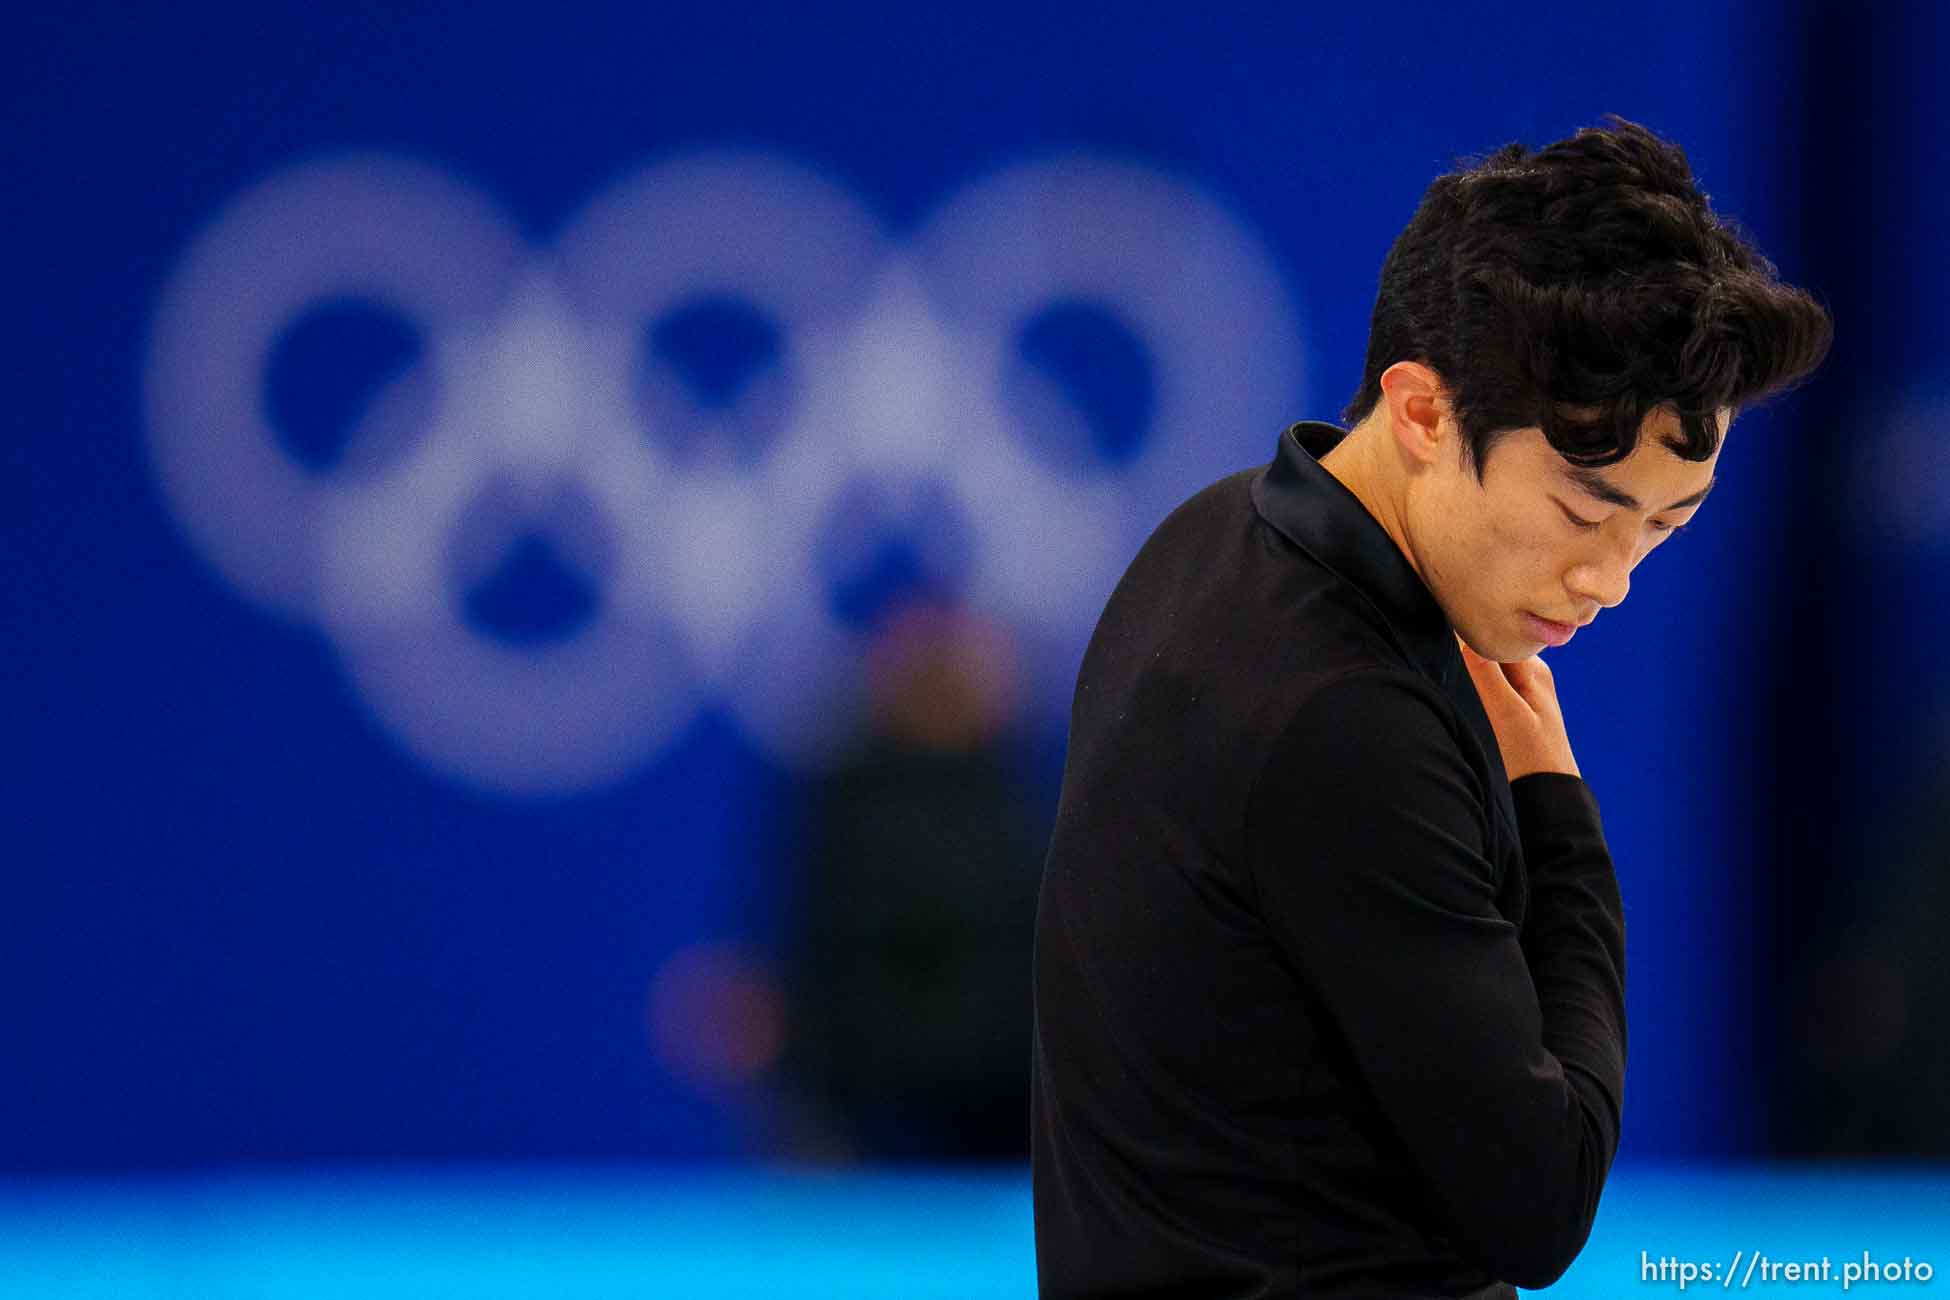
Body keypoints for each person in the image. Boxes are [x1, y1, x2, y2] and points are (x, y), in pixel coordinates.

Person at [1031, 117, 1831, 1299]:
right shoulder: (1345, 718)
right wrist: (1557, 826)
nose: (1609, 580)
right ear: (1420, 412)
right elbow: (1542, 1203)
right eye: (1582, 509)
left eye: (1666, 526)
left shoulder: (1210, 530)